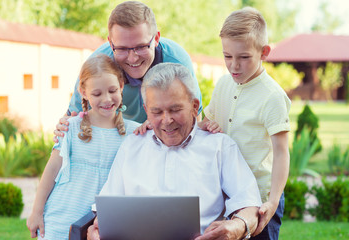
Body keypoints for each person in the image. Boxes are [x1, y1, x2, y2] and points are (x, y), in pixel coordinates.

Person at [87, 63, 262, 240]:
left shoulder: (220, 146)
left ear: (195, 106)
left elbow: (250, 204)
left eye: (175, 110)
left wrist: (237, 226)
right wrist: (96, 231)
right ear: (146, 111)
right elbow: (106, 210)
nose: (167, 120)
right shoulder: (131, 145)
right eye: (157, 112)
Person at [199, 7, 291, 240]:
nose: (234, 66)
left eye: (244, 57)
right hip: (228, 195)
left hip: (260, 199)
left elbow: (281, 154)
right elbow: (205, 123)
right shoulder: (223, 85)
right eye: (227, 56)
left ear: (264, 52)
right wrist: (208, 126)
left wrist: (272, 201)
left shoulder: (272, 96)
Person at [26, 54, 140, 240]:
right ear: (83, 92)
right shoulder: (70, 127)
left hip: (101, 227)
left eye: (112, 90)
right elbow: (52, 169)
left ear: (121, 86)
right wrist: (36, 212)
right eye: (97, 93)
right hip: (61, 220)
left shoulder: (133, 133)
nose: (107, 99)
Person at [54, 1, 202, 140]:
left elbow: (194, 117)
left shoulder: (177, 62)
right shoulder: (98, 67)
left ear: (156, 38)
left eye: (141, 47)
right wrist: (64, 129)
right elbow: (73, 117)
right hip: (119, 138)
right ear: (111, 44)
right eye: (122, 49)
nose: (133, 58)